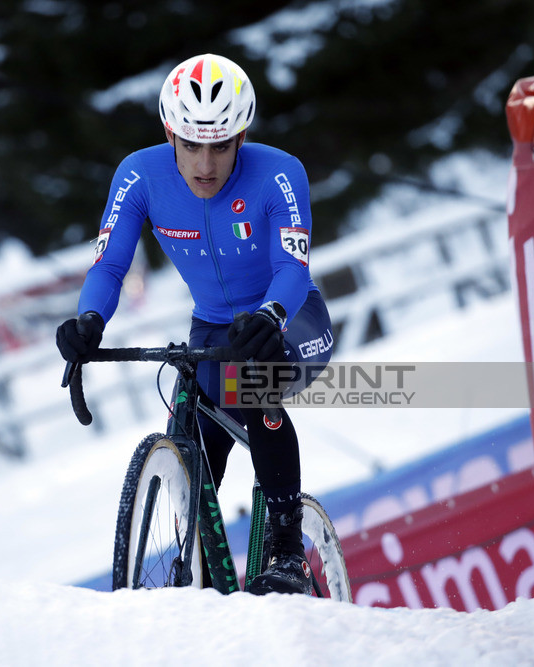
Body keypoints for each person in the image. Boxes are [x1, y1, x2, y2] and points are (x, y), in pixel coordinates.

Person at [56, 54, 334, 595]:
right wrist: (90, 319)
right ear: (169, 135)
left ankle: (287, 553)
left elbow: (290, 269)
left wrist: (270, 317)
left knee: (255, 387)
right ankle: (201, 571)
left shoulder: (280, 173)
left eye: (222, 146)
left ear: (242, 137)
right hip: (212, 329)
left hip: (291, 319)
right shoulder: (140, 175)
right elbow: (111, 264)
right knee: (199, 436)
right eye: (190, 145)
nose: (205, 164)